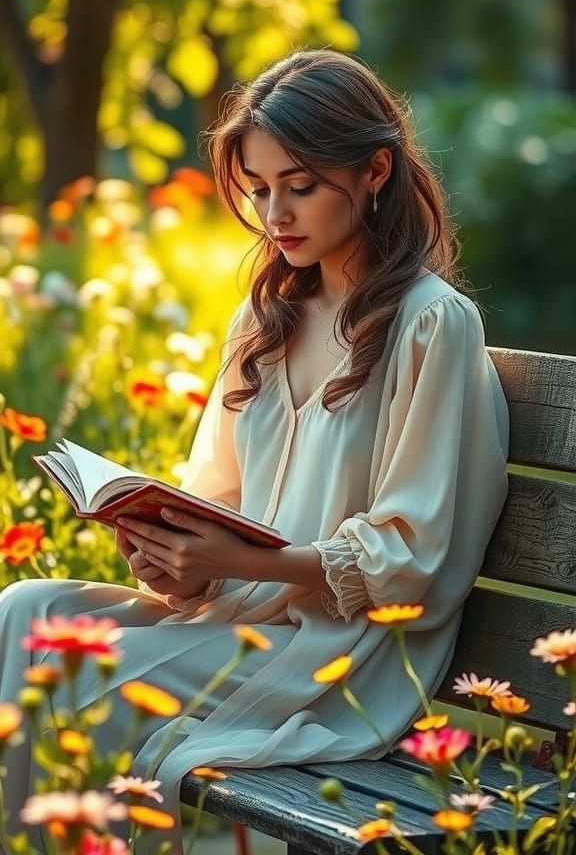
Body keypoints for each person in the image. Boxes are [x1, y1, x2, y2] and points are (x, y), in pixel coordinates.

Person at [0, 49, 509, 854]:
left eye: (300, 185)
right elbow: (220, 495)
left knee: (74, 673)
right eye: (260, 188)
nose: (276, 213)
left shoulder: (430, 324)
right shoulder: (266, 317)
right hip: (237, 615)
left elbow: (418, 555)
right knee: (23, 610)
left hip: (337, 651)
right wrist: (175, 555)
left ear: (375, 169)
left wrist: (247, 566)